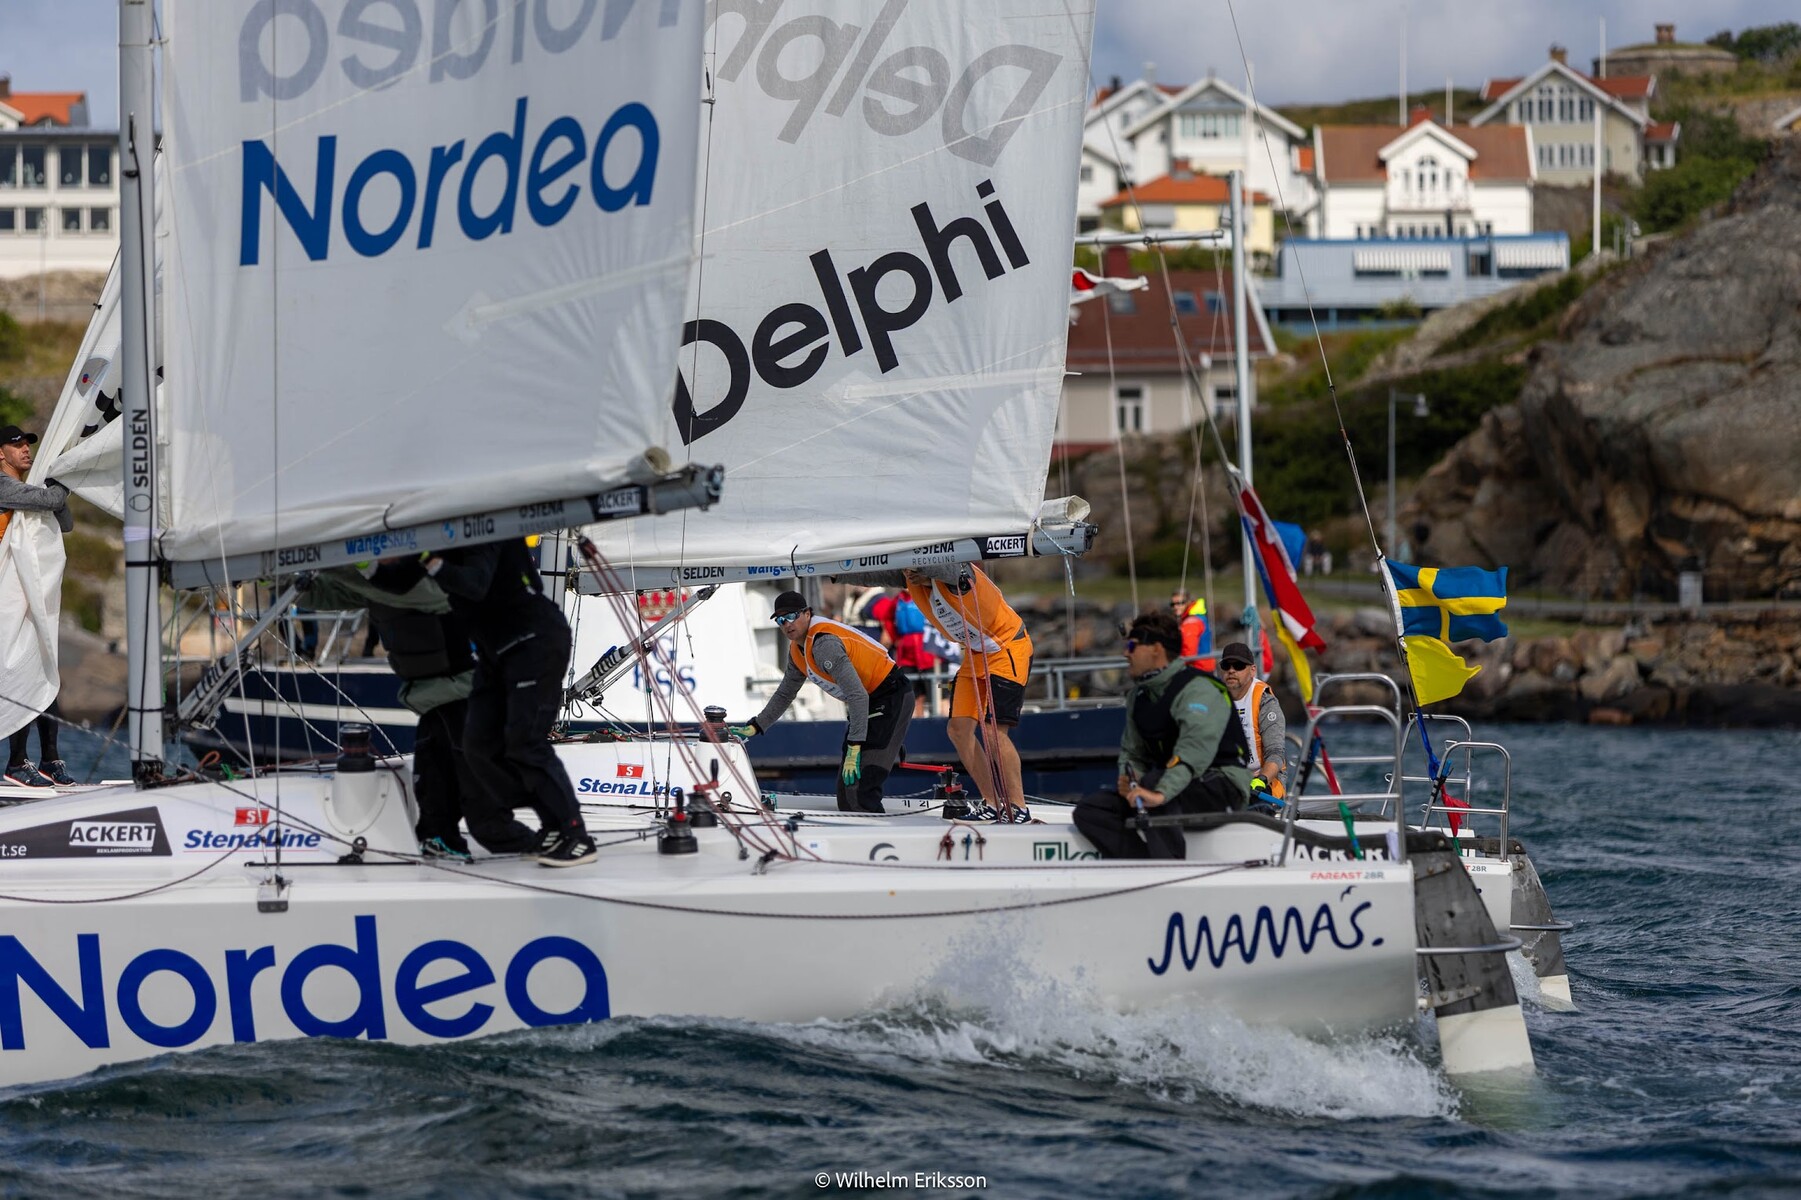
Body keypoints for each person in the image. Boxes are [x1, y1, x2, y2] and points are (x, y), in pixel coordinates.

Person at [369, 539, 593, 867]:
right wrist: (365, 561)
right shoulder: (440, 540)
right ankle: (553, 820)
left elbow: (475, 584)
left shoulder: (487, 531)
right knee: (478, 745)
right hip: (495, 652)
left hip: (533, 640)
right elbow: (399, 581)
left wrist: (428, 557)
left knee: (525, 742)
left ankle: (574, 833)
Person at [304, 567, 539, 858]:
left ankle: (517, 837)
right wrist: (283, 579)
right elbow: (329, 592)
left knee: (481, 799)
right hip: (433, 695)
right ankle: (439, 836)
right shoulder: (379, 583)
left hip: (465, 692)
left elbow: (400, 590)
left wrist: (347, 564)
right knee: (433, 780)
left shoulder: (423, 580)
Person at [1072, 611, 1252, 859]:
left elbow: (1193, 752)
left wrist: (1159, 793)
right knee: (1091, 810)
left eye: (1132, 646)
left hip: (1222, 787)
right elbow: (1133, 753)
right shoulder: (1138, 696)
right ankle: (1144, 866)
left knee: (1154, 783)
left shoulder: (1199, 690)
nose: (1126, 653)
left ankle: (1169, 866)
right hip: (1170, 785)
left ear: (1156, 649)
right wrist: (1129, 780)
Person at [730, 591, 912, 814]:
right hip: (869, 702)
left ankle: (876, 831)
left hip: (890, 696)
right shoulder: (797, 649)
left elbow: (857, 696)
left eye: (792, 616)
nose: (787, 624)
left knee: (860, 788)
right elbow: (785, 693)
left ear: (807, 614)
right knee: (847, 794)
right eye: (780, 620)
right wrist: (757, 725)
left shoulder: (824, 644)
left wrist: (855, 746)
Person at [884, 563, 1031, 823]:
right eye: (905, 569)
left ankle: (1018, 806)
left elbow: (949, 568)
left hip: (1007, 648)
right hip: (976, 654)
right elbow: (879, 571)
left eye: (914, 567)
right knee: (958, 730)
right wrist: (837, 573)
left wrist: (924, 567)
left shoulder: (957, 576)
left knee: (993, 732)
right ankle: (992, 802)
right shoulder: (913, 581)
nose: (909, 573)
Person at [0, 423, 75, 789]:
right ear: (0, 454)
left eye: (28, 444)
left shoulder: (31, 491)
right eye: (16, 445)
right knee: (19, 669)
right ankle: (16, 763)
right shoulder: (3, 487)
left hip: (28, 592)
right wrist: (65, 477)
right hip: (6, 594)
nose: (26, 449)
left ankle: (49, 759)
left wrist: (53, 490)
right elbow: (53, 502)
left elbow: (66, 522)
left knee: (44, 670)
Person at [1217, 640, 1287, 803]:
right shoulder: (1214, 698)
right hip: (1226, 779)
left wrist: (1261, 779)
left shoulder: (1265, 701)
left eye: (1239, 666)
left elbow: (1276, 753)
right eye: (1226, 666)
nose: (1231, 670)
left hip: (1263, 782)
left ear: (1252, 670)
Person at [1170, 589, 1214, 671]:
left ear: (1189, 602)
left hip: (1198, 669)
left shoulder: (1191, 622)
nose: (1175, 607)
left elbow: (1189, 653)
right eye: (1172, 604)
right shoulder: (1199, 617)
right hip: (1206, 667)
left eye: (1180, 603)